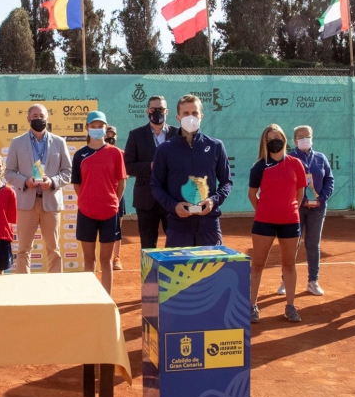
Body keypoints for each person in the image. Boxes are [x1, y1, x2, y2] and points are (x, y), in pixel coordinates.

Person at [151, 95, 232, 247]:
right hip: (177, 227)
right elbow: (156, 185)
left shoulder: (216, 146)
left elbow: (226, 182)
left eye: (194, 113)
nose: (190, 117)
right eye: (186, 114)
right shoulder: (165, 149)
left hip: (210, 226)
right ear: (178, 117)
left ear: (201, 116)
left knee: (212, 270)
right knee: (177, 271)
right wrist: (173, 206)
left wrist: (213, 201)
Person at [248, 124, 308, 323]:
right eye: (270, 139)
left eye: (278, 137)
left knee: (289, 264)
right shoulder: (259, 166)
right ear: (265, 143)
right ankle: (251, 306)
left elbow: (300, 192)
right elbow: (252, 194)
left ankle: (290, 306)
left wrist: (290, 209)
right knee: (257, 264)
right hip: (264, 222)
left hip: (290, 222)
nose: (275, 141)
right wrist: (264, 210)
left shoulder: (296, 163)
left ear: (284, 139)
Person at [4, 103, 72, 274]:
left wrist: (53, 181)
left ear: (47, 118)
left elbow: (68, 172)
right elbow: (9, 173)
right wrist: (26, 181)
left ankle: (55, 289)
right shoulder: (17, 142)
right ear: (28, 119)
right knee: (23, 250)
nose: (38, 119)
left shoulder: (59, 142)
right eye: (34, 117)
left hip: (51, 203)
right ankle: (23, 290)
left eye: (41, 116)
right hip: (27, 204)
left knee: (54, 249)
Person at [72, 111, 127, 295]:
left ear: (106, 127)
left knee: (107, 261)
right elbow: (77, 184)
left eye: (100, 126)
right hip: (86, 213)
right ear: (87, 128)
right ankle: (90, 299)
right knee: (89, 261)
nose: (97, 129)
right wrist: (86, 200)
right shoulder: (80, 155)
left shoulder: (115, 154)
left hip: (109, 213)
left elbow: (121, 182)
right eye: (93, 126)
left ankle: (107, 300)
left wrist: (113, 202)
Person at [276, 125, 335, 297]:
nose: (304, 139)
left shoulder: (320, 158)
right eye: (300, 137)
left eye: (307, 136)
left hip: (318, 208)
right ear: (294, 140)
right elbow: (285, 184)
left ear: (312, 138)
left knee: (313, 244)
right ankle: (285, 280)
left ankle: (313, 281)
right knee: (292, 244)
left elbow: (329, 180)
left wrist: (320, 199)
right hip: (295, 208)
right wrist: (301, 200)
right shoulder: (289, 158)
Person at [124, 95, 179, 249]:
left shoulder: (178, 134)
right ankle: (149, 274)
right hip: (146, 200)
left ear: (166, 111)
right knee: (148, 245)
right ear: (147, 111)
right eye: (153, 109)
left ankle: (175, 273)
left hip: (172, 199)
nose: (157, 112)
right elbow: (128, 166)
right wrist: (151, 166)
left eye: (160, 109)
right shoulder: (136, 135)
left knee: (176, 242)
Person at [104, 125, 126, 270]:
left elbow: (124, 177)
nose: (110, 137)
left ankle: (116, 258)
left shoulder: (122, 154)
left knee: (117, 227)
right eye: (108, 134)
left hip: (117, 195)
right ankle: (102, 258)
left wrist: (117, 198)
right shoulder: (95, 152)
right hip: (102, 195)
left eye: (113, 135)